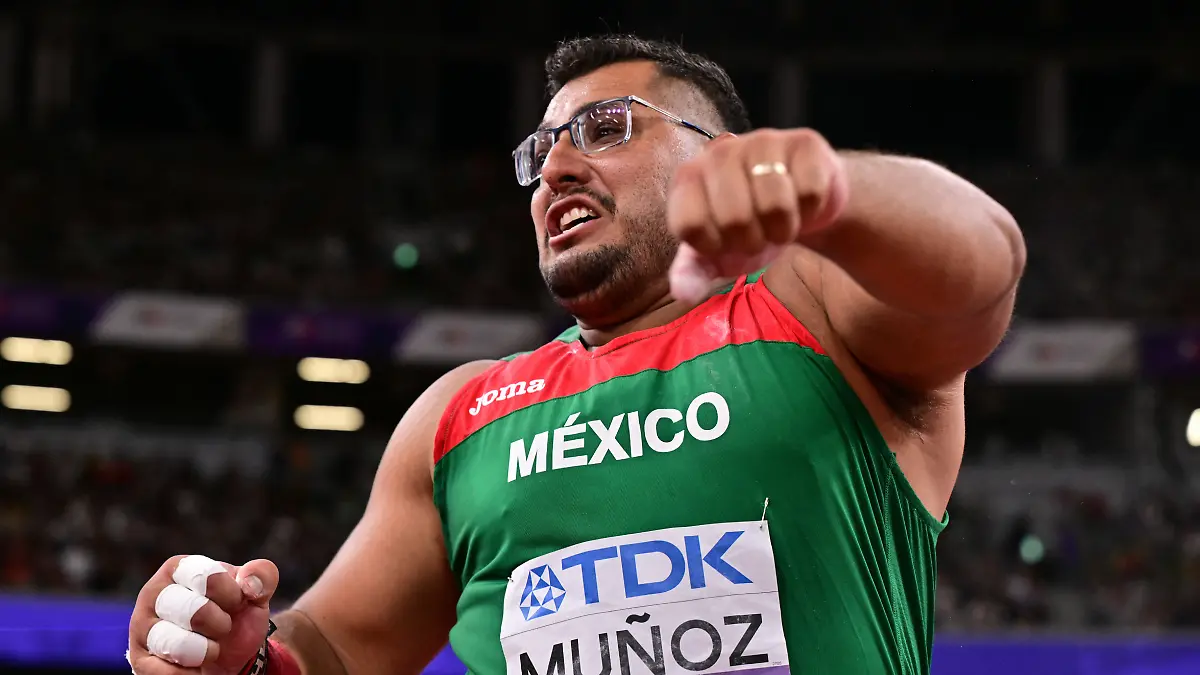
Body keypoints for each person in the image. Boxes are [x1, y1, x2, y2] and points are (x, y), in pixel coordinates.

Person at [127, 34, 1025, 675]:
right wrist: (238, 661)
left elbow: (982, 271)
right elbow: (335, 649)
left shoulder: (815, 311)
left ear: (722, 154)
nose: (555, 168)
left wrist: (832, 190)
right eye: (542, 149)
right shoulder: (462, 411)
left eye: (604, 129)